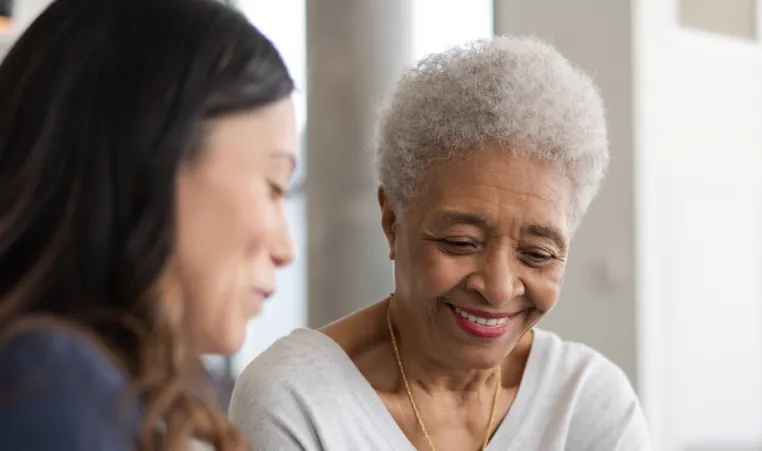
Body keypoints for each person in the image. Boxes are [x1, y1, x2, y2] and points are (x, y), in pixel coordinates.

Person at [229, 35, 652, 451]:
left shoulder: (588, 402)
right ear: (392, 220)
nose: (499, 287)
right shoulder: (298, 400)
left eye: (537, 254)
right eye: (460, 242)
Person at [0, 0, 297, 450]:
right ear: (156, 160)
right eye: (274, 186)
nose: (285, 247)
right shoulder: (49, 387)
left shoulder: (102, 392)